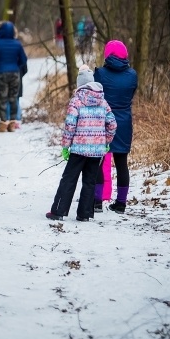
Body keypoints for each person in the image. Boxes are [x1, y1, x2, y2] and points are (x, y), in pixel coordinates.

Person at [46, 65, 117, 222]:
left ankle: (58, 211)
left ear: (80, 84)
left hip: (78, 149)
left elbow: (70, 126)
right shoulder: (103, 102)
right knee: (89, 181)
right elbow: (112, 124)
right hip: (97, 151)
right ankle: (84, 214)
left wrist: (65, 146)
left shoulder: (76, 101)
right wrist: (106, 142)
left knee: (69, 179)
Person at [94, 40, 138, 213]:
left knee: (98, 161)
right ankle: (121, 204)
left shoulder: (100, 73)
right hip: (124, 122)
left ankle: (96, 201)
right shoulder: (133, 75)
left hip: (104, 120)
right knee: (122, 163)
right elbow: (131, 94)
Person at [0, 21, 27, 133]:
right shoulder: (17, 43)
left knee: (3, 98)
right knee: (13, 98)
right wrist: (16, 66)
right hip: (15, 73)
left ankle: (3, 124)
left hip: (1, 73)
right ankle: (12, 124)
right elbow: (23, 59)